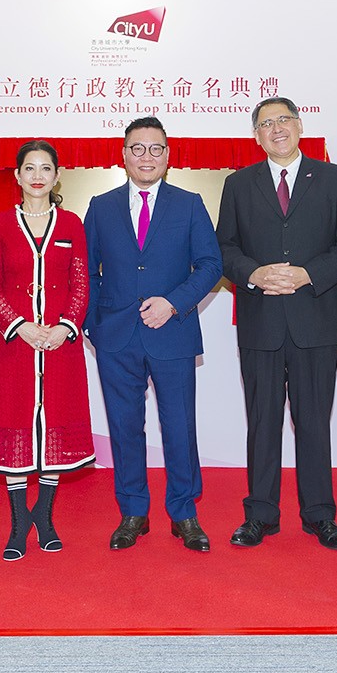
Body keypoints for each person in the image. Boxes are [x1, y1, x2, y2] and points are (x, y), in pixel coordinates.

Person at [216, 97, 337, 551]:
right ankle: (260, 515)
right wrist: (255, 274)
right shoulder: (239, 184)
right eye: (267, 123)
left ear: (300, 126)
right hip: (261, 321)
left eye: (284, 120)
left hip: (315, 319)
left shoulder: (335, 179)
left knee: (314, 422)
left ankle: (320, 515)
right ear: (256, 136)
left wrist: (307, 274)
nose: (276, 128)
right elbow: (224, 248)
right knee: (262, 422)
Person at [84, 117, 223, 553]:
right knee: (125, 427)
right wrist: (93, 325)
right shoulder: (101, 207)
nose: (147, 157)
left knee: (179, 426)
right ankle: (133, 512)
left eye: (156, 148)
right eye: (138, 148)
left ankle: (184, 513)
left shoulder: (189, 204)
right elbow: (85, 271)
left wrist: (173, 303)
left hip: (173, 333)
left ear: (168, 155)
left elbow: (211, 265)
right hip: (115, 337)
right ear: (124, 155)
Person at [0, 140, 95, 559]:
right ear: (17, 176)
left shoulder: (72, 224)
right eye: (30, 168)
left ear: (57, 176)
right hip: (14, 347)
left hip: (60, 347)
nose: (38, 176)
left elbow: (81, 283)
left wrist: (64, 328)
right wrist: (20, 326)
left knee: (54, 430)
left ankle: (42, 515)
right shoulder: (0, 225)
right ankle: (16, 524)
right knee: (15, 428)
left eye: (46, 168)